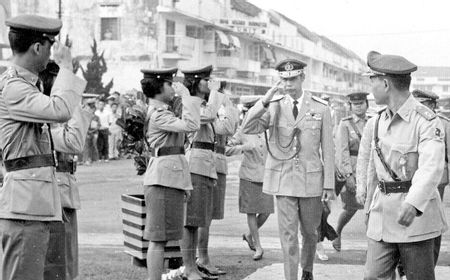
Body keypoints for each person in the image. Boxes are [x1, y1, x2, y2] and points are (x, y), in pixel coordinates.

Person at [0, 14, 86, 280]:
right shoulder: (14, 87)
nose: (52, 54)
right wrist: (67, 67)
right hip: (25, 205)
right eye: (50, 46)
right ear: (38, 47)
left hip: (36, 203)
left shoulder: (27, 85)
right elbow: (60, 110)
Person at [241, 59, 335, 280]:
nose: (288, 84)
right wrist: (264, 100)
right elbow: (247, 126)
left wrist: (329, 184)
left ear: (303, 77)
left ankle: (308, 270)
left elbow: (328, 150)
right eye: (284, 79)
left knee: (310, 233)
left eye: (293, 79)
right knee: (288, 236)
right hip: (283, 180)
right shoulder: (274, 105)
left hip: (311, 181)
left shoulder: (320, 107)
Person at [359, 51, 446, 280]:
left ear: (386, 84)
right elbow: (373, 170)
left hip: (416, 217)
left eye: (373, 81)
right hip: (382, 216)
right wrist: (368, 205)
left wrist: (413, 203)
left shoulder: (425, 121)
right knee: (373, 276)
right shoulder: (377, 121)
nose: (371, 88)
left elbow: (432, 167)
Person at [140, 68, 202, 280]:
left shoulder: (163, 113)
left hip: (169, 179)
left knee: (163, 238)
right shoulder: (159, 115)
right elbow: (192, 125)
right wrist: (186, 97)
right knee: (158, 239)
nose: (173, 87)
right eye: (169, 84)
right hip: (163, 180)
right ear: (159, 88)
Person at [39, 61, 94, 280]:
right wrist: (79, 108)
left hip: (63, 185)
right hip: (54, 186)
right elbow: (74, 142)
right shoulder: (47, 113)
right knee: (57, 259)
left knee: (66, 258)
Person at [180, 65, 234, 280]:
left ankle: (195, 265)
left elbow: (226, 128)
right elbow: (209, 115)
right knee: (191, 220)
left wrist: (222, 99)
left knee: (198, 220)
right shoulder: (189, 103)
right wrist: (216, 93)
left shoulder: (202, 104)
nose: (210, 84)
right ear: (195, 82)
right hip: (195, 164)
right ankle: (189, 267)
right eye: (206, 81)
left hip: (205, 164)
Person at [197, 80, 239, 276]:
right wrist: (227, 103)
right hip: (208, 163)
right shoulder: (204, 111)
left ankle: (201, 257)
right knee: (204, 216)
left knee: (208, 216)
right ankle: (202, 258)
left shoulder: (212, 112)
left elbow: (229, 127)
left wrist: (227, 103)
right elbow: (228, 127)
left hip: (216, 163)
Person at [226, 99, 274, 261]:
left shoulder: (268, 130)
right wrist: (242, 148)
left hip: (267, 176)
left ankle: (248, 235)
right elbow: (226, 148)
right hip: (249, 176)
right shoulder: (243, 131)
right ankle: (258, 246)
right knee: (251, 211)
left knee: (267, 211)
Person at [411, 89, 450, 268]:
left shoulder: (443, 123)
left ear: (432, 105)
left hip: (436, 179)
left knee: (431, 218)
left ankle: (429, 262)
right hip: (409, 176)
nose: (418, 107)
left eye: (423, 103)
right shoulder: (408, 121)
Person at [332, 92, 370, 252]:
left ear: (367, 104)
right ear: (350, 106)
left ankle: (375, 247)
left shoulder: (373, 121)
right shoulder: (345, 124)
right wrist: (348, 176)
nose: (359, 106)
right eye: (355, 104)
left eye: (361, 103)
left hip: (370, 170)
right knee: (351, 208)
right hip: (353, 172)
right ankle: (337, 232)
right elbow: (342, 151)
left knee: (372, 209)